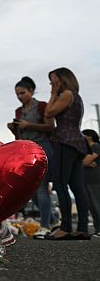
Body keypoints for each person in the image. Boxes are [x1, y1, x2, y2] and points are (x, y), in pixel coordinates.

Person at [44, 68, 91, 240]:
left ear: (62, 79)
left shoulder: (66, 95)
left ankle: (65, 228)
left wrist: (53, 93)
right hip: (77, 142)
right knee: (77, 186)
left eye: (53, 80)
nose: (51, 83)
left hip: (66, 141)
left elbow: (48, 113)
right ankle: (83, 228)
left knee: (60, 183)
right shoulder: (76, 96)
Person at [6, 76, 56, 238]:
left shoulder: (42, 106)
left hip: (43, 148)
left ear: (31, 91)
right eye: (17, 94)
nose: (20, 96)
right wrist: (15, 129)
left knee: (41, 188)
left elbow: (50, 127)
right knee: (30, 191)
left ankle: (45, 225)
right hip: (26, 151)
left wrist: (29, 125)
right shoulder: (18, 111)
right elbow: (20, 135)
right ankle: (52, 219)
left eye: (22, 93)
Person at [81, 129, 100, 237]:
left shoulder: (95, 146)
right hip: (86, 180)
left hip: (94, 180)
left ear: (90, 136)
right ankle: (98, 229)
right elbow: (85, 162)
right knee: (92, 206)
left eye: (83, 135)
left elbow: (84, 161)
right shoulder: (85, 149)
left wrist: (84, 162)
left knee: (97, 204)